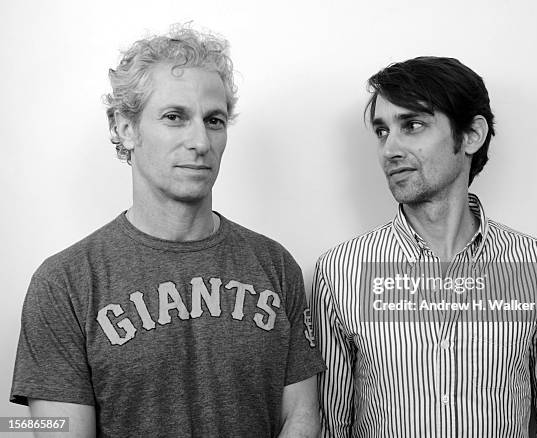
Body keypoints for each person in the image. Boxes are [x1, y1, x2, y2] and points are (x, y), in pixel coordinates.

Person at [10, 24, 325, 438]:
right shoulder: (64, 283)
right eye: (175, 117)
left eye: (214, 121)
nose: (200, 141)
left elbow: (300, 417)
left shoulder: (273, 265)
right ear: (124, 127)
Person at [312, 56, 537, 437]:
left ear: (471, 135)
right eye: (381, 132)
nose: (389, 150)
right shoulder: (339, 271)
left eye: (412, 125)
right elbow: (334, 426)